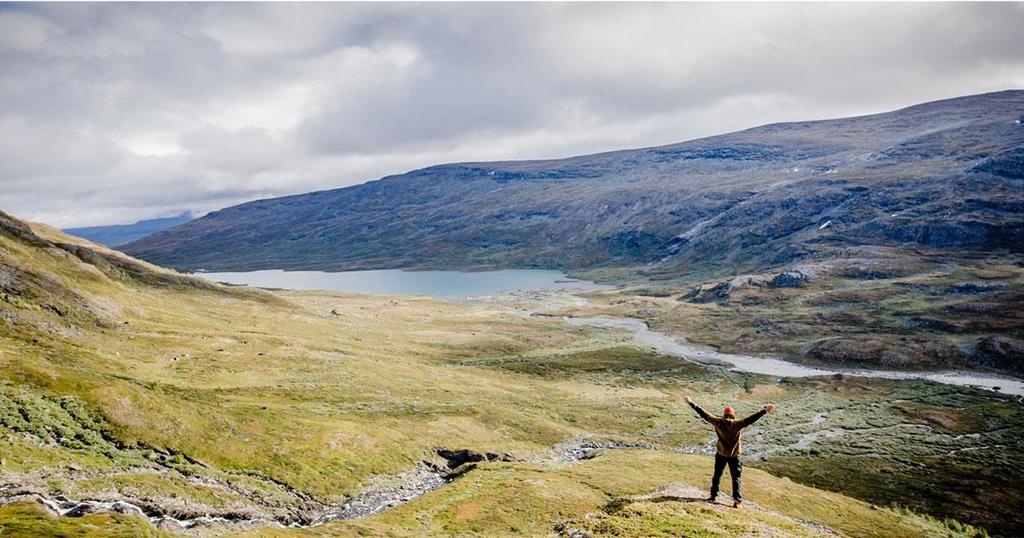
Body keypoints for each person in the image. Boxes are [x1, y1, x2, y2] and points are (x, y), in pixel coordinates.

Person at [684, 395, 774, 508]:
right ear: (733, 415)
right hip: (734, 456)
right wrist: (764, 411)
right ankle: (737, 501)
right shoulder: (737, 424)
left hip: (721, 454)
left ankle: (713, 496)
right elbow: (751, 419)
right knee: (736, 478)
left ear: (724, 414)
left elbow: (703, 413)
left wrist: (691, 403)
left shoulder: (717, 422)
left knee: (717, 475)